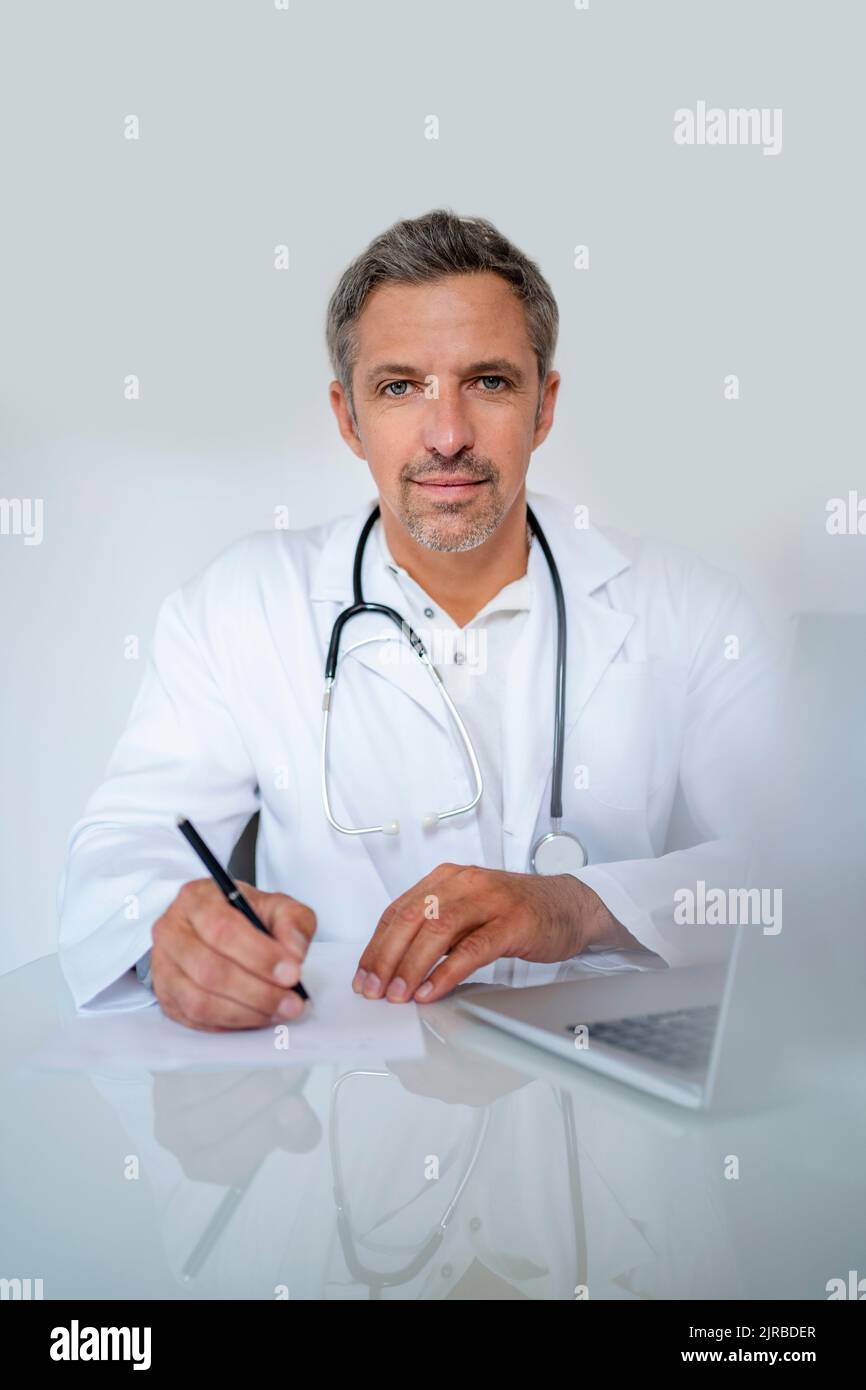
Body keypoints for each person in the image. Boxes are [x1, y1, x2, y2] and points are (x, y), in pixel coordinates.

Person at [57, 208, 776, 1031]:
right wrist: (169, 935)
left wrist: (580, 907)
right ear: (347, 416)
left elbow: (798, 874)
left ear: (544, 407)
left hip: (606, 1112)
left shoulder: (688, 608)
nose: (448, 434)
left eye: (489, 382)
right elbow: (120, 851)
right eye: (400, 387)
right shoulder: (239, 606)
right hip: (344, 1092)